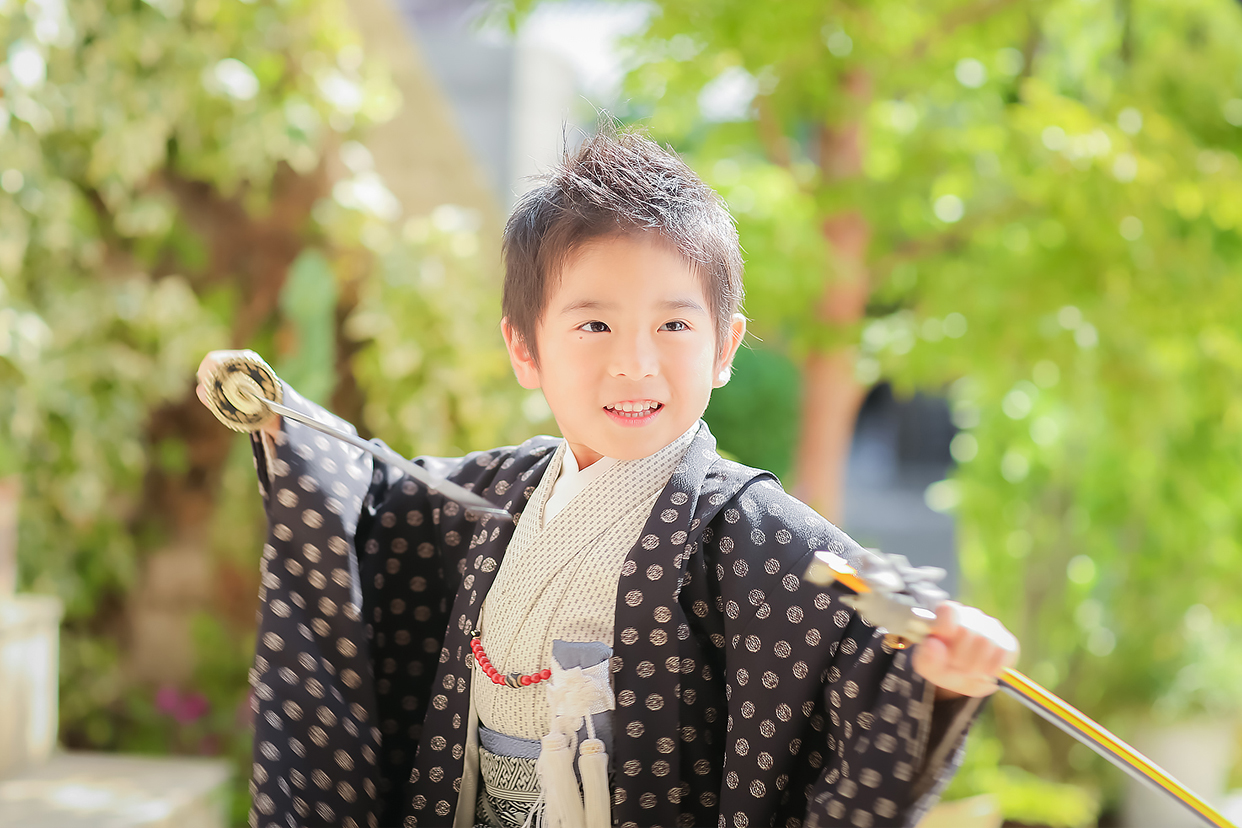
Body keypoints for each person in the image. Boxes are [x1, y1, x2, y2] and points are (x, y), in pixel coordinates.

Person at [196, 127, 1017, 828]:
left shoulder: (751, 531)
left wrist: (934, 669)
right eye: (594, 323)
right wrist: (282, 421)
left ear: (725, 347)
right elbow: (374, 503)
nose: (636, 362)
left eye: (673, 324)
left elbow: (861, 634)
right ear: (526, 348)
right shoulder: (501, 492)